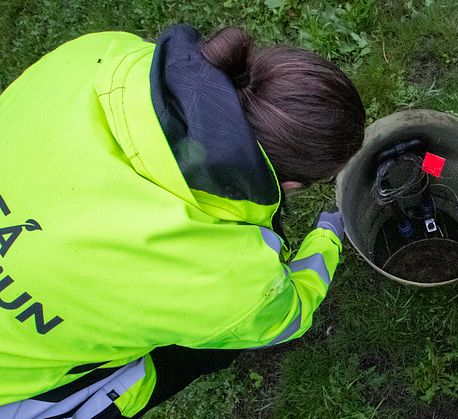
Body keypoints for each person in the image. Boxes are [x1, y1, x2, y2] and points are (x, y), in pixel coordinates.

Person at [0, 24, 364, 418]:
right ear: (289, 183)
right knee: (186, 357)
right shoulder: (229, 281)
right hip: (15, 392)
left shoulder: (100, 53)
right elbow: (288, 313)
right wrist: (327, 236)